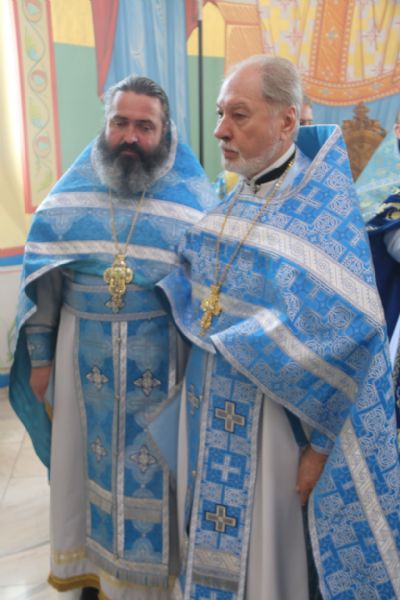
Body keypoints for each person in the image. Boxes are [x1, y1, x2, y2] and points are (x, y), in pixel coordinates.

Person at [158, 56, 400, 599]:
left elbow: (354, 341)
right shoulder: (233, 201)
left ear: (287, 121)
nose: (220, 131)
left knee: (266, 567)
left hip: (272, 434)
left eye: (238, 115)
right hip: (206, 417)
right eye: (220, 113)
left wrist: (320, 449)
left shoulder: (321, 221)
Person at [9, 75, 218, 600]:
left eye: (144, 126)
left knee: (162, 473)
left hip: (164, 368)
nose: (130, 136)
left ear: (165, 131)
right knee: (82, 470)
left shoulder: (195, 199)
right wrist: (40, 360)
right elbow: (44, 283)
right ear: (106, 125)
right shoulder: (71, 196)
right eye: (120, 123)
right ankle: (94, 575)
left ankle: (153, 585)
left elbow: (210, 287)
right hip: (82, 363)